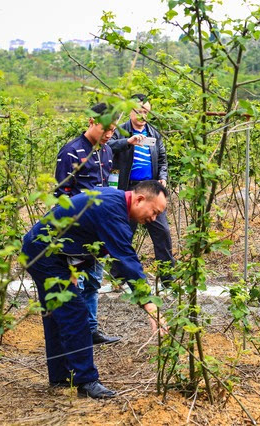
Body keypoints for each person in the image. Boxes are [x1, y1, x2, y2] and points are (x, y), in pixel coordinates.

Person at [22, 180, 167, 398]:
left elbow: (81, 233)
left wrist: (70, 269)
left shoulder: (114, 201)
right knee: (75, 313)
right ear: (139, 199)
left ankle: (61, 374)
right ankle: (86, 380)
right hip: (43, 253)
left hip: (46, 251)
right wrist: (149, 305)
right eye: (154, 212)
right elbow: (126, 259)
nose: (153, 219)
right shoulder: (112, 210)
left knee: (56, 312)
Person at [54, 102, 119, 345]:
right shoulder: (71, 151)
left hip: (99, 228)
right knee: (76, 282)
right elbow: (62, 194)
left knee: (93, 281)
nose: (109, 135)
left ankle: (91, 330)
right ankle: (76, 330)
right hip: (77, 230)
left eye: (113, 130)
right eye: (106, 130)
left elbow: (107, 185)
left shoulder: (107, 151)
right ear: (91, 121)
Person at [107, 94, 174, 285]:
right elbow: (107, 146)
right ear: (130, 110)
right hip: (127, 190)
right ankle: (117, 278)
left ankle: (167, 279)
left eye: (145, 111)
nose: (141, 114)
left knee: (162, 232)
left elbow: (162, 159)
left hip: (151, 190)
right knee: (123, 233)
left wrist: (162, 177)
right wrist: (128, 142)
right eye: (138, 110)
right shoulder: (120, 131)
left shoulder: (154, 132)